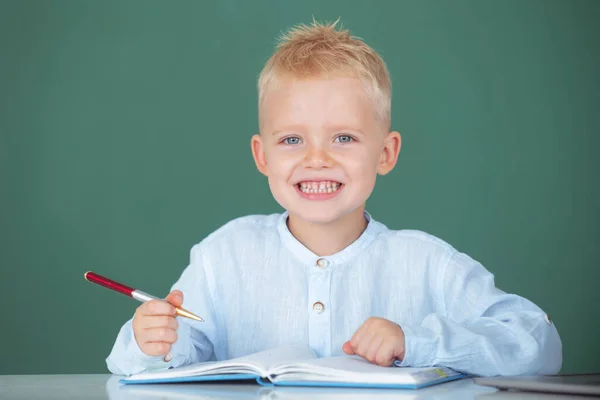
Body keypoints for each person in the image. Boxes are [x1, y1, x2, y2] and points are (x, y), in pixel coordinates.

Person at [106, 20, 562, 377]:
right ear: (262, 156)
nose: (317, 159)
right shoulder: (223, 256)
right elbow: (164, 355)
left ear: (386, 153)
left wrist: (414, 342)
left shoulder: (427, 264)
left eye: (343, 137)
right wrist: (153, 341)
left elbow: (538, 342)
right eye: (291, 141)